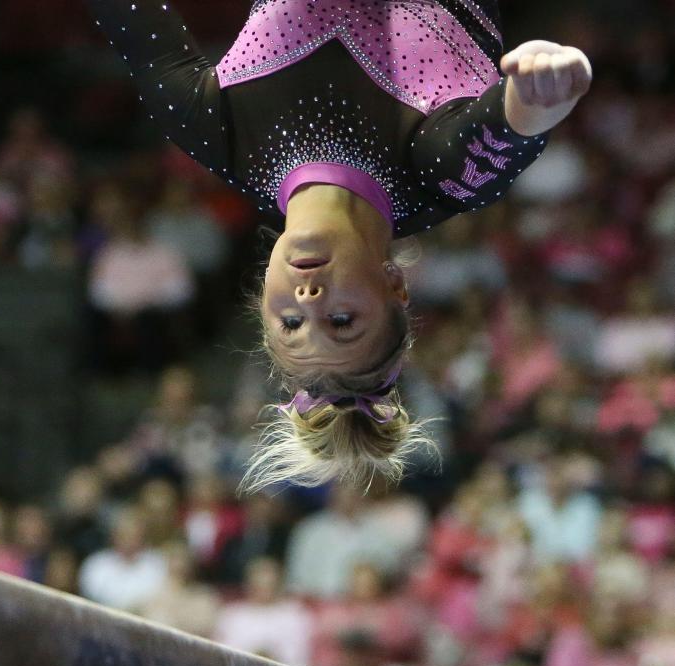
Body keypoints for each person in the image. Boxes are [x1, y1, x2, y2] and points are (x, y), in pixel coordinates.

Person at [86, 0, 592, 491]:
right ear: (395, 285)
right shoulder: (438, 176)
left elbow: (131, 21)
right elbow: (510, 123)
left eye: (290, 324)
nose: (309, 302)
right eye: (342, 322)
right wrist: (543, 92)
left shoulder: (221, 136)